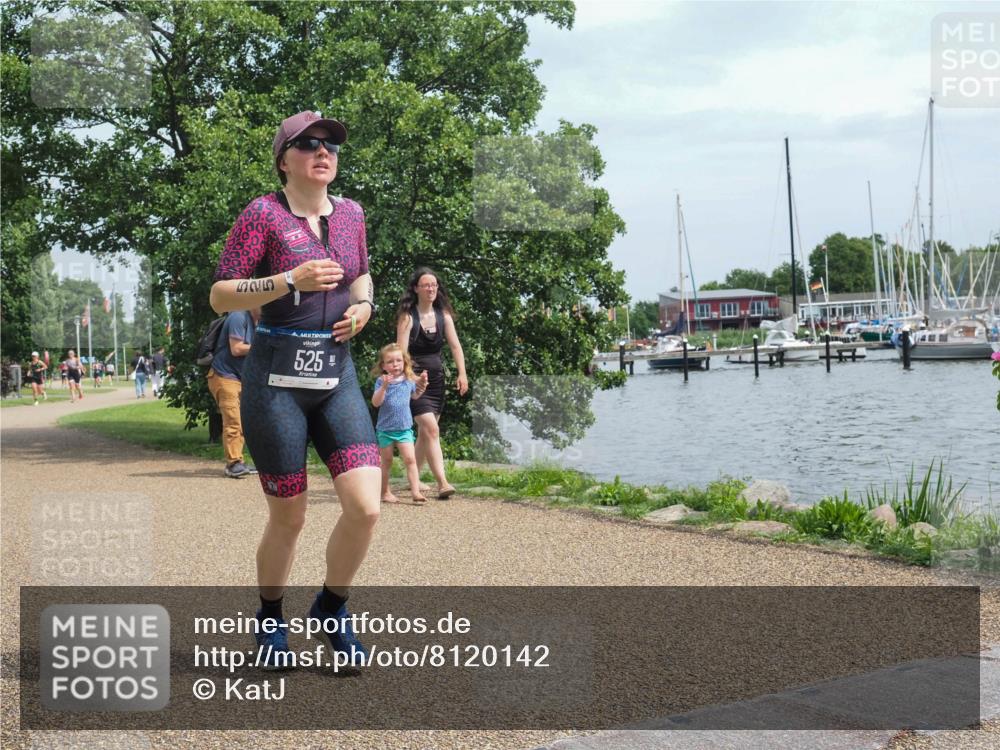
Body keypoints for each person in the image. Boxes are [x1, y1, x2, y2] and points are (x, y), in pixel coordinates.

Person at [209, 111, 380, 670]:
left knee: (366, 507)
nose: (323, 152)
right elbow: (221, 295)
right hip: (275, 382)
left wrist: (364, 306)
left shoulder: (351, 214)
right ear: (284, 160)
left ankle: (331, 607)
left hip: (336, 377)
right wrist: (288, 280)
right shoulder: (263, 213)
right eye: (308, 144)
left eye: (330, 144)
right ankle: (269, 620)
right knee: (290, 518)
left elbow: (360, 274)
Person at [395, 267, 469, 500]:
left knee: (426, 433)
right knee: (432, 429)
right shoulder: (407, 318)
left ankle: (413, 479)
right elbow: (401, 354)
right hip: (415, 383)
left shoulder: (443, 316)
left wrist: (462, 373)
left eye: (434, 285)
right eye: (426, 285)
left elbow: (455, 346)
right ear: (416, 288)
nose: (431, 289)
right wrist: (412, 379)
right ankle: (443, 483)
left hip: (437, 381)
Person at [371, 344, 429, 504]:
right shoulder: (381, 381)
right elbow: (376, 403)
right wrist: (384, 387)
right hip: (385, 430)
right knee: (386, 461)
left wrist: (422, 384)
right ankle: (385, 492)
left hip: (404, 429)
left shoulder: (408, 380)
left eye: (398, 360)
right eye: (390, 362)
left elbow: (415, 395)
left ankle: (416, 492)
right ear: (383, 366)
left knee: (410, 460)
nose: (395, 364)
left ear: (404, 362)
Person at [206, 309, 259, 478]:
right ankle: (233, 463)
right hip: (225, 376)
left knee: (244, 421)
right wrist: (264, 345)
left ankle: (239, 461)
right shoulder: (238, 317)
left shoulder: (260, 323)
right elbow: (236, 348)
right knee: (233, 421)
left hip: (243, 379)